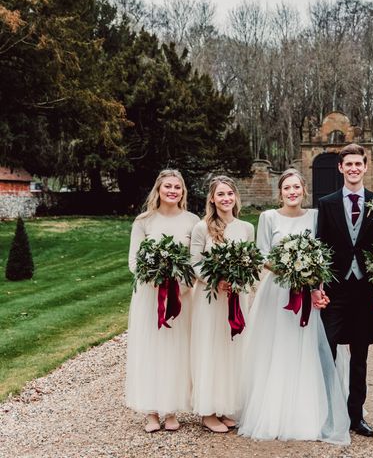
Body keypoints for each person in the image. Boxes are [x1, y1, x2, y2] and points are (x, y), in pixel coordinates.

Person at [238, 169, 350, 444]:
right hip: (276, 292)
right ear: (280, 192)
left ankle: (305, 413)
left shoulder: (314, 216)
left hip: (306, 291)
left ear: (304, 190)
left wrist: (311, 282)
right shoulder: (268, 217)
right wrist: (287, 268)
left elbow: (322, 253)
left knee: (305, 346)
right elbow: (261, 253)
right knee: (276, 347)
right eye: (287, 188)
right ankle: (273, 411)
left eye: (296, 187)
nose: (292, 192)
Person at [317, 143, 373, 437]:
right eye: (348, 164)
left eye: (358, 164)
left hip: (366, 290)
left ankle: (355, 415)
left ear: (365, 166)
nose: (353, 169)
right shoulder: (327, 203)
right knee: (328, 350)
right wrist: (316, 288)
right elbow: (320, 248)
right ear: (340, 168)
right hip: (335, 289)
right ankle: (327, 411)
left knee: (360, 356)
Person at [125, 169, 199, 433]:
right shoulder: (144, 221)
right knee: (151, 350)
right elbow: (134, 261)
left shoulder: (192, 221)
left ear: (183, 192)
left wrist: (182, 282)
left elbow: (195, 260)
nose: (172, 191)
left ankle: (171, 410)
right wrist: (153, 278)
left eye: (177, 187)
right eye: (168, 186)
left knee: (177, 351)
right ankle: (151, 411)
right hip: (150, 295)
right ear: (158, 189)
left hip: (181, 296)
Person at [190, 176, 255, 433]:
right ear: (212, 199)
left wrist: (239, 280)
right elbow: (195, 262)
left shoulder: (246, 228)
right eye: (220, 194)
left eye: (230, 193)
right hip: (210, 298)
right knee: (211, 348)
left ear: (235, 197)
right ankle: (207, 410)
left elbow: (251, 262)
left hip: (236, 297)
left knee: (232, 350)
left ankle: (226, 406)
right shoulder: (201, 228)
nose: (226, 198)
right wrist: (214, 280)